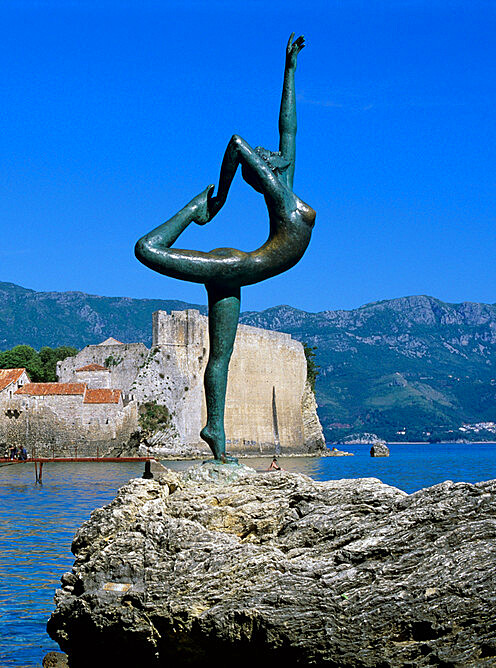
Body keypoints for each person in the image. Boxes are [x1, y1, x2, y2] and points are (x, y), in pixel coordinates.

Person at [135, 34, 313, 461]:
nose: (273, 153)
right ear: (264, 170)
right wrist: (217, 201)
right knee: (147, 249)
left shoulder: (283, 185)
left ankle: (215, 431)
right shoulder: (277, 192)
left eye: (272, 154)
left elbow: (287, 126)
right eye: (267, 156)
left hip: (233, 273)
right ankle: (191, 209)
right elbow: (236, 144)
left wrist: (289, 68)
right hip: (232, 267)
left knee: (221, 357)